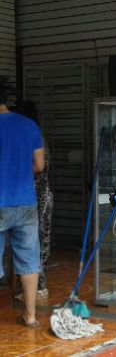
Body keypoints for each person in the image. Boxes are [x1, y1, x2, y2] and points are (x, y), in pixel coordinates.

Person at [0, 80, 45, 327]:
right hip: (26, 202)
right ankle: (30, 315)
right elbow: (39, 165)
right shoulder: (30, 125)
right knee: (29, 260)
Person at [15, 100, 53, 300]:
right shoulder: (37, 135)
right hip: (43, 193)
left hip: (35, 195)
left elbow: (39, 167)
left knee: (32, 242)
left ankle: (36, 287)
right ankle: (39, 286)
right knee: (41, 240)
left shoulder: (29, 135)